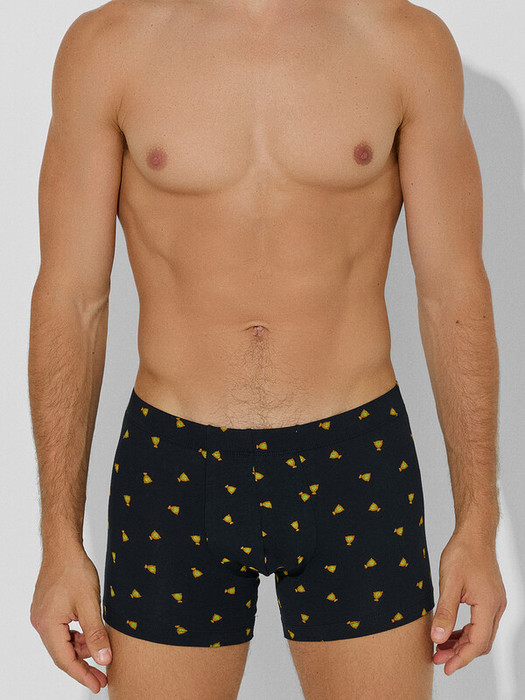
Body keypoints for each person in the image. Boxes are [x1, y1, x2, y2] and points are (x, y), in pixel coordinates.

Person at [28, 0, 507, 697]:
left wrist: (478, 524)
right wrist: (57, 540)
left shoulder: (404, 41)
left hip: (356, 460)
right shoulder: (109, 45)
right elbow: (71, 301)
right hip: (171, 464)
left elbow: (451, 293)